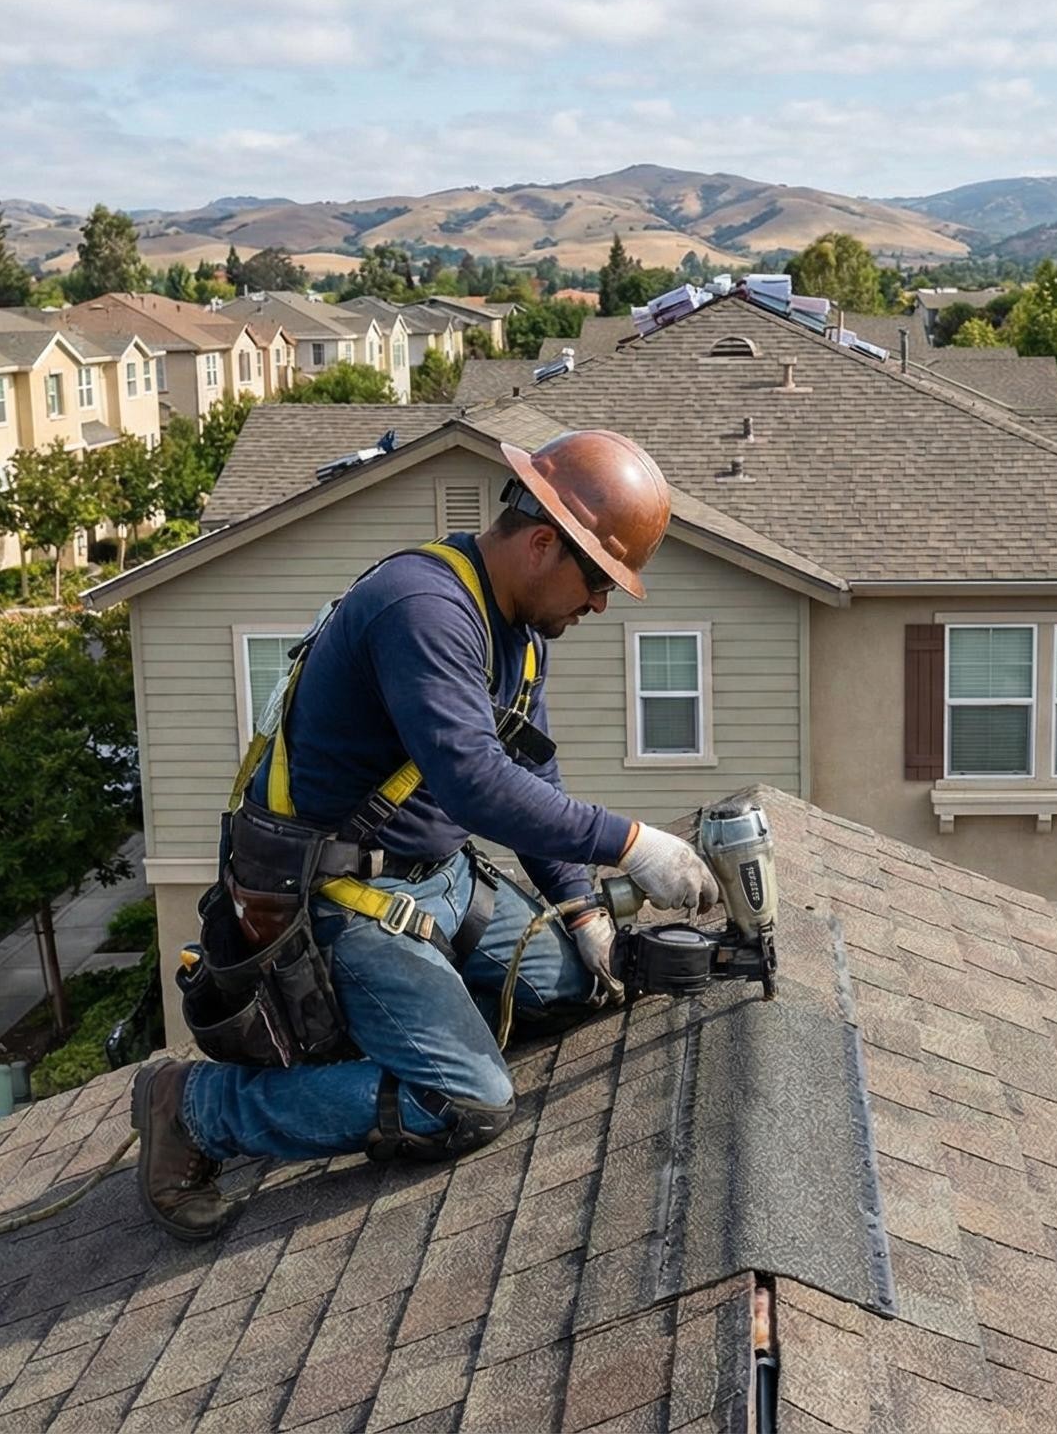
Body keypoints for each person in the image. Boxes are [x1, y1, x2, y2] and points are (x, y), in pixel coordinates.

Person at [133, 429, 722, 1240]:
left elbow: (529, 781)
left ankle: (416, 1023)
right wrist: (631, 845)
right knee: (462, 1103)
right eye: (597, 581)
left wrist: (581, 910)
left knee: (585, 981)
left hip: (442, 878)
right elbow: (473, 784)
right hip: (346, 902)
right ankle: (197, 1109)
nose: (598, 604)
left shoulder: (515, 630)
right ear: (544, 543)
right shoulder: (424, 610)